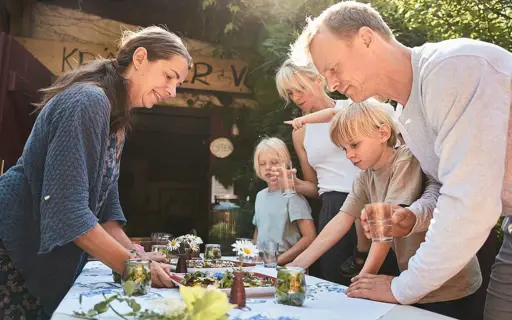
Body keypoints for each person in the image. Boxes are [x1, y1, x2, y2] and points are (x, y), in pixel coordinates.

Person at [289, 1, 511, 319]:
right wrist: (414, 215)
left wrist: (402, 287)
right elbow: (444, 184)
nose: (332, 85)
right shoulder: (407, 115)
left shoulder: (452, 68)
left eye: (333, 68)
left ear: (366, 39)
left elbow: (471, 199)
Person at [0, 26, 192, 319]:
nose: (172, 91)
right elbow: (69, 211)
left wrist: (137, 255)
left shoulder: (115, 121)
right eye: (169, 76)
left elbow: (106, 210)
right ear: (140, 58)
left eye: (178, 83)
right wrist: (134, 267)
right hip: (13, 246)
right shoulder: (88, 101)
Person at [287, 100, 481, 319]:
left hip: (450, 284)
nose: (349, 154)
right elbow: (341, 220)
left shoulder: (405, 159)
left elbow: (385, 231)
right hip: (413, 282)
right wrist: (295, 265)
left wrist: (363, 279)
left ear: (383, 133)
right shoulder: (363, 178)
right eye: (344, 149)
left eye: (354, 144)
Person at [274, 59, 363, 284]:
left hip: (367, 204)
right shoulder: (300, 131)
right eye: (290, 93)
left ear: (317, 79)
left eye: (300, 89)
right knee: (333, 282)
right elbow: (315, 188)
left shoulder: (351, 108)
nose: (296, 98)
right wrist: (294, 183)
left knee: (369, 283)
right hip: (331, 209)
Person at [252, 137, 317, 265]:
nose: (268, 167)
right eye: (262, 163)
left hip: (288, 269)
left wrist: (277, 261)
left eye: (274, 162)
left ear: (286, 163)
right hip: (262, 265)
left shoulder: (292, 195)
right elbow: (258, 230)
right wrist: (254, 255)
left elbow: (310, 238)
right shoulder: (260, 196)